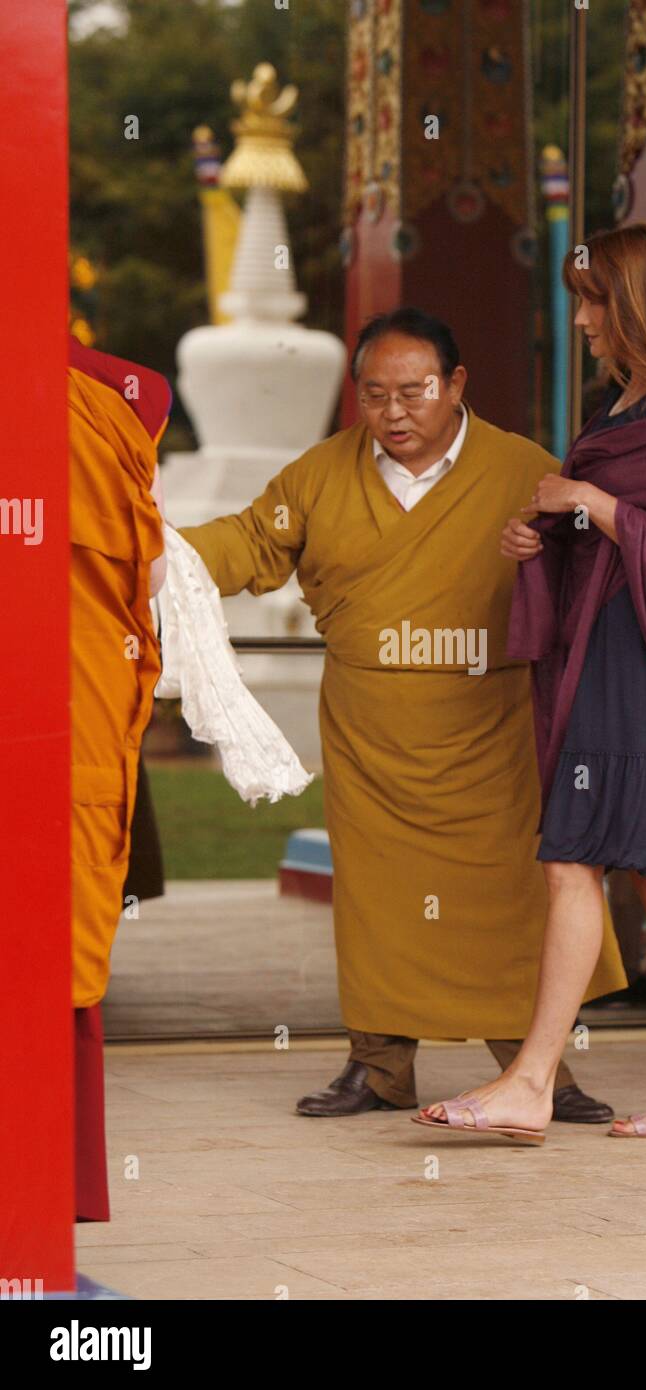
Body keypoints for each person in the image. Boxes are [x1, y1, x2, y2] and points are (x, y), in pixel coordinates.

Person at [178, 309, 626, 1125]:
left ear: (455, 385)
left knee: (509, 898)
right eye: (375, 395)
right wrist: (150, 546)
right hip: (371, 731)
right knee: (379, 903)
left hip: (490, 729)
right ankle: (379, 1067)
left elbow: (595, 566)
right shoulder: (320, 474)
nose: (394, 413)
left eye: (414, 392)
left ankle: (538, 1071)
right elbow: (247, 543)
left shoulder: (525, 470)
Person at [418, 223, 646, 1142]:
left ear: (634, 301)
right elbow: (617, 526)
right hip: (609, 655)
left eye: (595, 302)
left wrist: (588, 501)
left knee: (582, 860)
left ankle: (530, 1081)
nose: (587, 322)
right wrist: (543, 537)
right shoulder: (621, 406)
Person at [69, 335, 168, 1219]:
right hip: (75, 703)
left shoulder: (114, 396)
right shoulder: (119, 394)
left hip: (69, 708)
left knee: (52, 957)